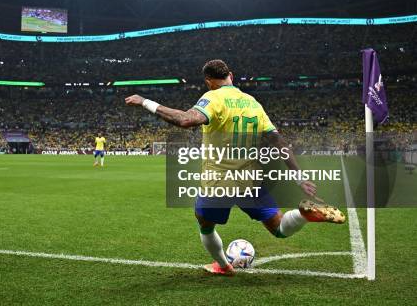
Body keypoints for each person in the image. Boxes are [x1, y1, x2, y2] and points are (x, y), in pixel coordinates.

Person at [125, 59, 345, 276]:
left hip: (218, 181)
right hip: (251, 180)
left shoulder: (213, 98)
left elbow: (185, 120)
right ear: (231, 74)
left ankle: (222, 265)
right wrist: (299, 178)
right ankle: (303, 214)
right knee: (279, 228)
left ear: (209, 81)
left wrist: (145, 102)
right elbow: (278, 141)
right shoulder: (252, 102)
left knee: (205, 225)